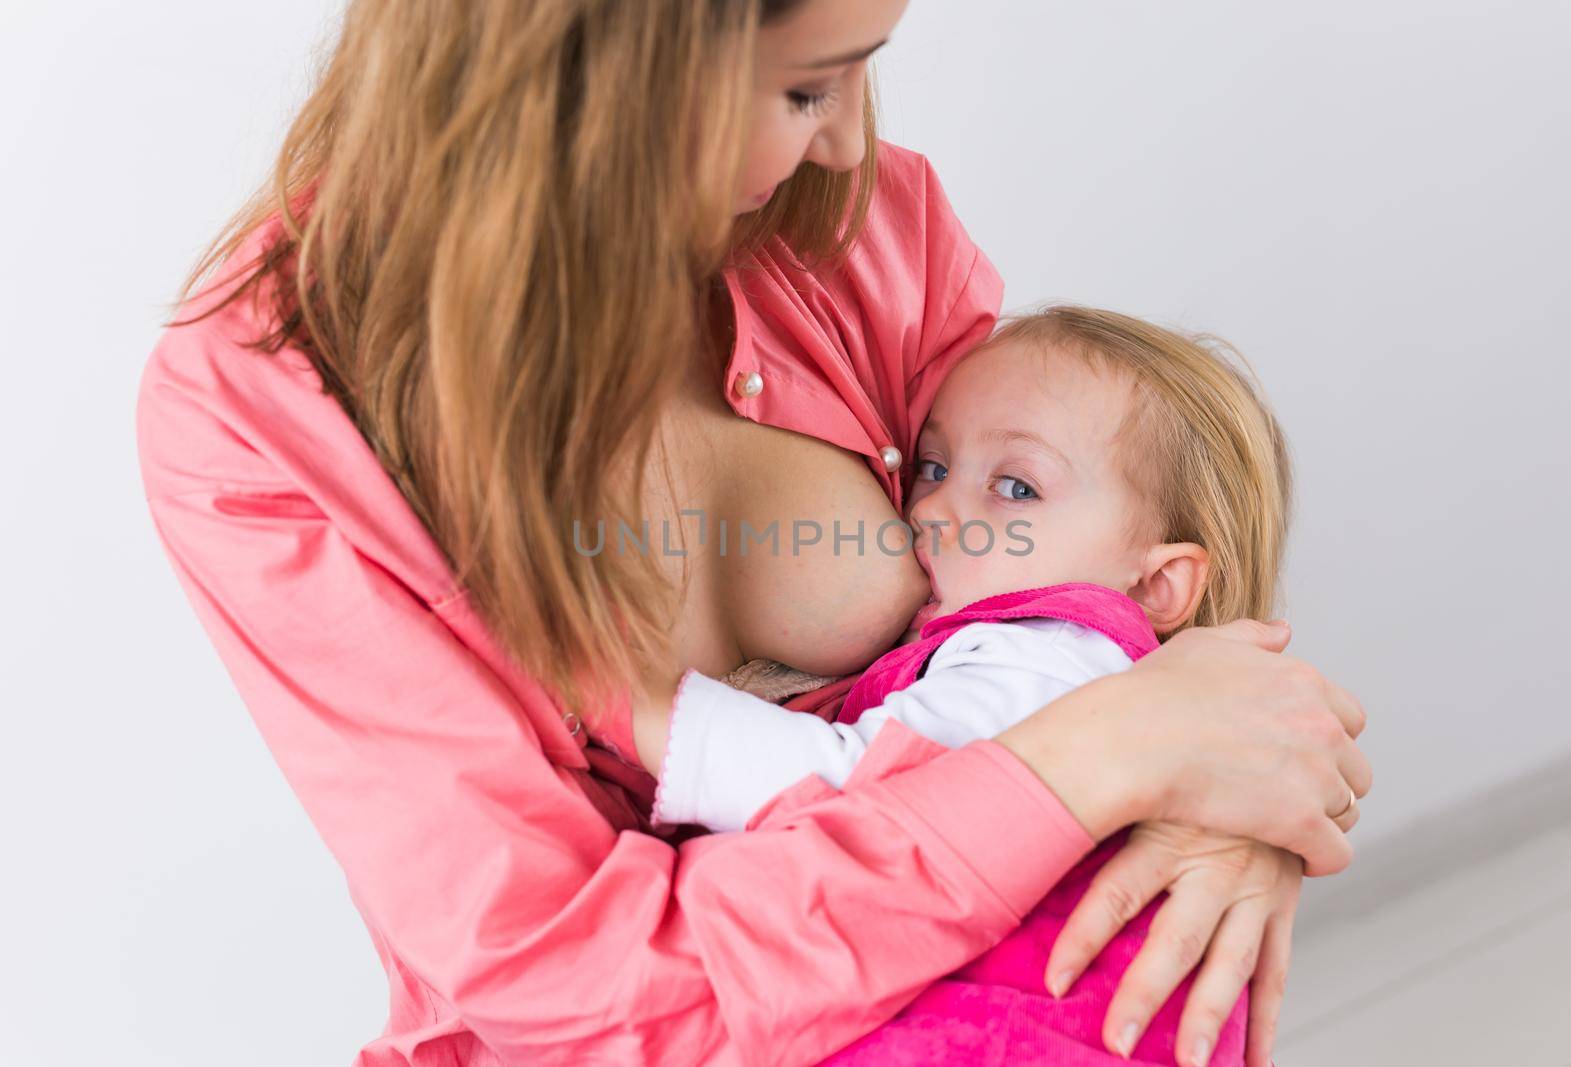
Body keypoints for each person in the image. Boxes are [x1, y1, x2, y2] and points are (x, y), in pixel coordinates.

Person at [134, 2, 1370, 1065]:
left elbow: (1098, 582)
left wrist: (1218, 798)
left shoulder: (863, 230)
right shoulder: (266, 411)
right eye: (802, 86)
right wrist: (1090, 768)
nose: (846, 138)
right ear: (600, 64)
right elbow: (570, 984)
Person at [640, 305, 1309, 1065]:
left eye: (1016, 488)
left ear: (1157, 584)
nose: (932, 508)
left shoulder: (1048, 655)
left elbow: (852, 788)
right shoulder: (1088, 672)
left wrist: (643, 710)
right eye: (933, 466)